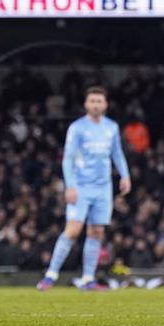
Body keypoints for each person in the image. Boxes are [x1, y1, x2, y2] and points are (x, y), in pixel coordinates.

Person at [37, 86, 131, 291]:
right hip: (81, 186)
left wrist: (125, 175)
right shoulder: (77, 128)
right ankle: (50, 276)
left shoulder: (111, 127)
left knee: (96, 232)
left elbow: (117, 153)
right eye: (92, 101)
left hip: (103, 188)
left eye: (99, 101)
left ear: (105, 104)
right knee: (72, 231)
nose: (96, 104)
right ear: (86, 104)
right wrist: (70, 186)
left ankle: (88, 279)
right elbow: (68, 158)